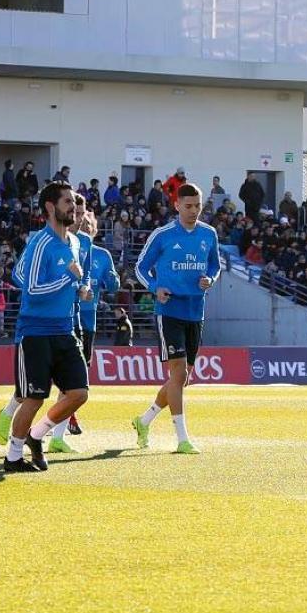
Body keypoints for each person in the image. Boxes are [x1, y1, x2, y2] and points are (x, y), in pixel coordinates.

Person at [1, 183, 95, 473]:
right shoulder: (41, 243)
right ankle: (13, 457)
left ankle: (36, 435)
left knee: (79, 394)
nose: (73, 208)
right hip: (36, 332)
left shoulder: (76, 243)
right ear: (50, 207)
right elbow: (30, 287)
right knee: (34, 398)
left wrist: (81, 288)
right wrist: (69, 280)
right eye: (67, 202)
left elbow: (68, 279)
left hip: (65, 330)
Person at [131, 182, 221, 454]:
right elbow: (140, 267)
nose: (194, 211)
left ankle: (143, 420)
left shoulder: (209, 234)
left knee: (180, 380)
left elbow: (215, 265)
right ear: (177, 205)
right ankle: (182, 438)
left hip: (196, 311)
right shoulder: (163, 234)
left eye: (198, 206)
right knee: (179, 373)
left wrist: (211, 279)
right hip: (169, 311)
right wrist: (154, 288)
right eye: (189, 206)